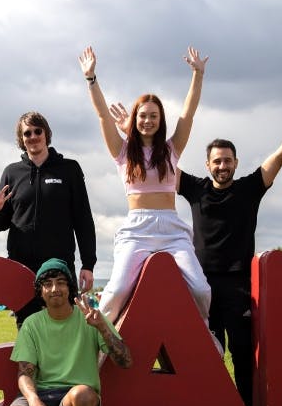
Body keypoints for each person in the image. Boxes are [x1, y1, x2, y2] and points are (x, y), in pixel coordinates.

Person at [176, 85, 282, 406]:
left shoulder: (250, 188)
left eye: (227, 160)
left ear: (236, 162)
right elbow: (159, 166)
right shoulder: (194, 188)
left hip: (239, 285)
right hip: (202, 284)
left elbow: (280, 155)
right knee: (205, 352)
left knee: (241, 350)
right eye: (216, 161)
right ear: (207, 165)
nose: (222, 166)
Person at [78, 45, 213, 332]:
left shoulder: (171, 150)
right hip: (137, 230)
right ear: (134, 119)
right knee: (114, 293)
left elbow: (188, 115)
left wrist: (197, 75)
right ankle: (96, 341)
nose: (148, 121)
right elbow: (103, 116)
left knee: (201, 290)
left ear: (160, 120)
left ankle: (202, 334)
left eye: (153, 116)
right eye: (142, 115)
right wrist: (91, 79)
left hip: (172, 230)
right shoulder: (123, 152)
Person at [0, 258, 132, 406]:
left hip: (74, 395)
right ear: (40, 291)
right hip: (42, 393)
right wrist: (34, 402)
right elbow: (24, 372)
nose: (55, 289)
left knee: (84, 397)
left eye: (61, 282)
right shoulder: (32, 324)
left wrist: (102, 328)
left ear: (70, 288)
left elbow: (125, 361)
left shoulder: (91, 317)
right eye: (48, 284)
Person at [0, 112, 97, 327]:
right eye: (27, 133)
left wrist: (88, 264)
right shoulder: (12, 172)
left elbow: (83, 219)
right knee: (27, 330)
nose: (33, 136)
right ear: (21, 139)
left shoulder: (69, 169)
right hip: (22, 267)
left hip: (59, 265)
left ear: (46, 134)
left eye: (38, 131)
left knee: (64, 328)